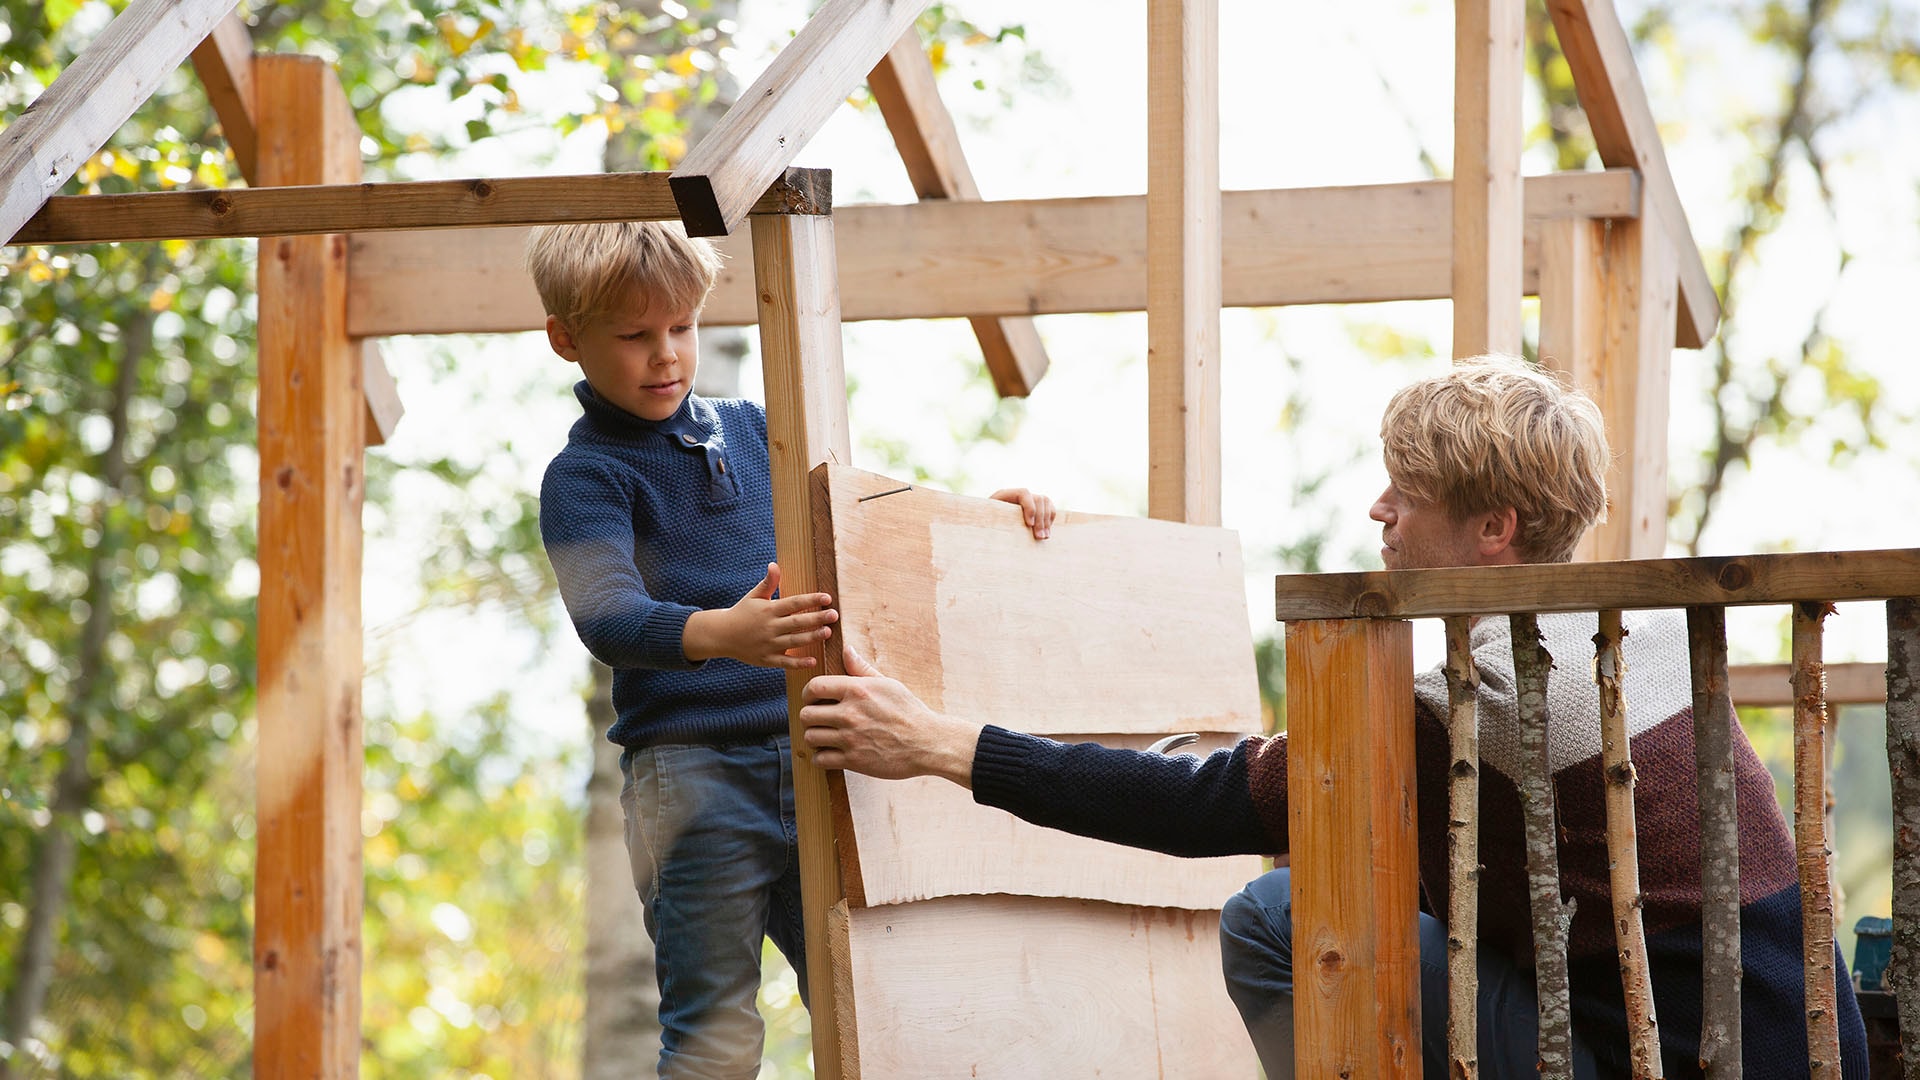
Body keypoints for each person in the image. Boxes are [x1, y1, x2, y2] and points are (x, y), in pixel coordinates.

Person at [796, 356, 1868, 1079]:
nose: (1378, 510)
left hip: (1648, 1057)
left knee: (1273, 915)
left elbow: (1206, 806)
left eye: (1407, 493)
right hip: (1801, 1048)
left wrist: (938, 743)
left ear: (1493, 528)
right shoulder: (1636, 634)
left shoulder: (1487, 693)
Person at [527, 220, 1056, 1079]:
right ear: (566, 339)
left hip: (821, 755)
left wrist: (972, 516)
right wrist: (723, 633)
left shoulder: (756, 428)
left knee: (868, 1004)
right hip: (692, 780)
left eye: (682, 327)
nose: (666, 354)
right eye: (634, 335)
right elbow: (607, 616)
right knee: (716, 1039)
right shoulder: (584, 477)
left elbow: (861, 523)